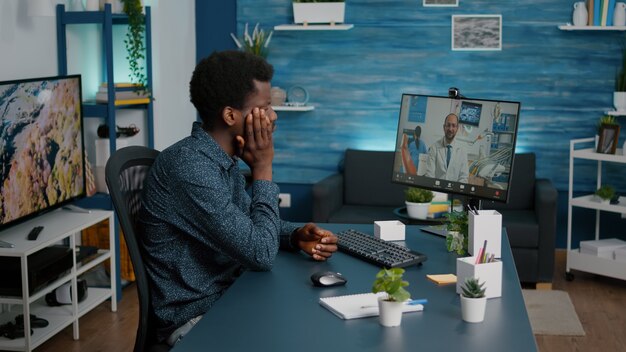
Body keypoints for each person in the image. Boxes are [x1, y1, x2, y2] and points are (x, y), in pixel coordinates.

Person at [137, 50, 338, 346]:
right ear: (231, 115)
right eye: (266, 107)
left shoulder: (219, 159)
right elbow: (260, 253)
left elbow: (245, 225)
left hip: (230, 297)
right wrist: (263, 168)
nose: (273, 116)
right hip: (197, 320)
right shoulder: (191, 168)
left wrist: (294, 235)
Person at [424, 113, 469, 183]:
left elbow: (463, 177)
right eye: (448, 125)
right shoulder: (434, 148)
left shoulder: (462, 151)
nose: (450, 129)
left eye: (453, 126)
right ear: (444, 127)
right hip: (436, 190)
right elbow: (430, 175)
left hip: (454, 191)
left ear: (457, 128)